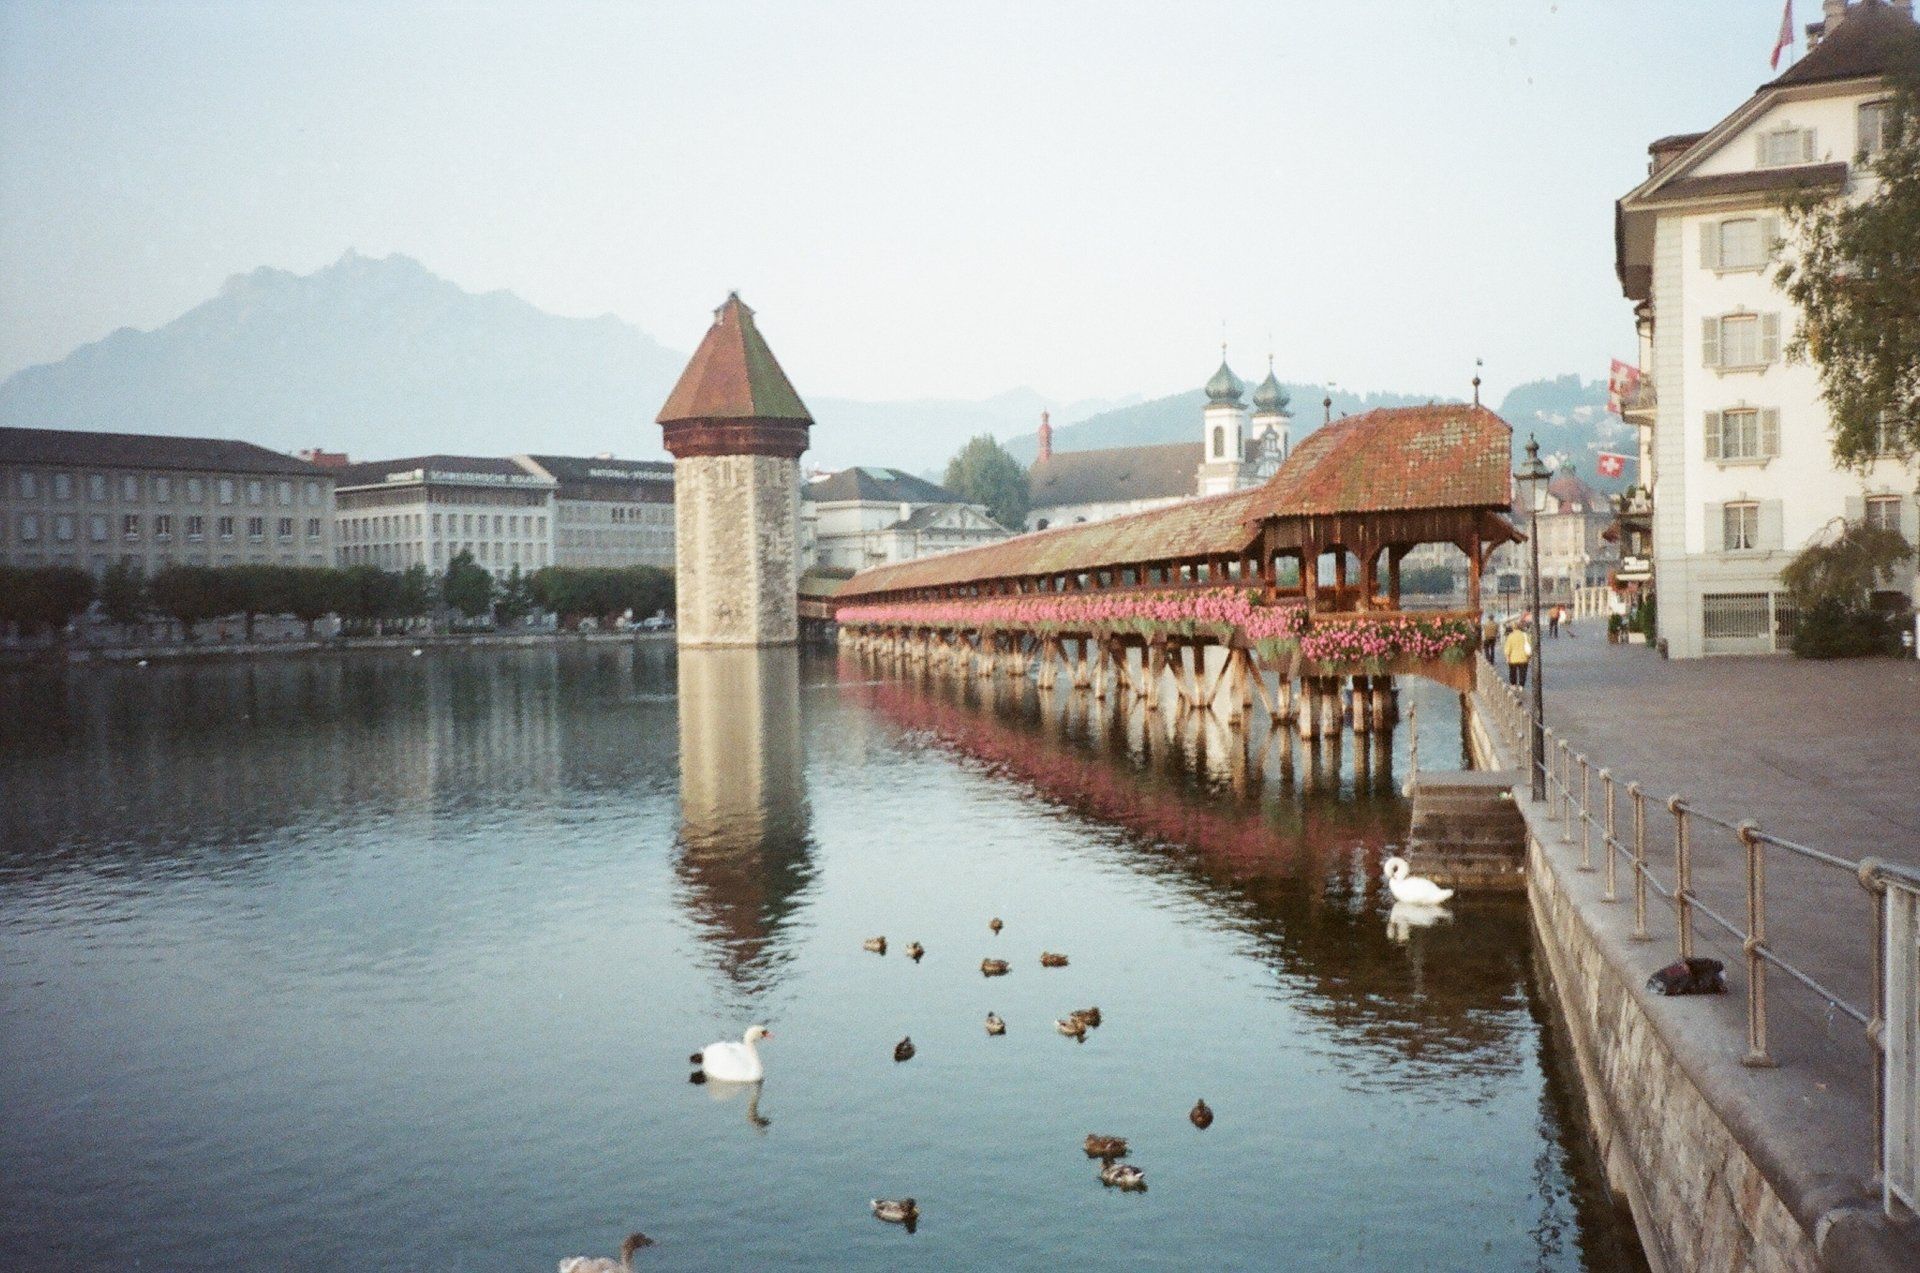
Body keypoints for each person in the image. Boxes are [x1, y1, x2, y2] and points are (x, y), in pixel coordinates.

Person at [1504, 622, 1533, 688]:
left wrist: (1507, 657)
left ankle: (1513, 684)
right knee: (1523, 672)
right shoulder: (1525, 635)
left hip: (1513, 658)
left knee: (1512, 672)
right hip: (1523, 657)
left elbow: (1508, 648)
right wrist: (1529, 657)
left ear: (1513, 628)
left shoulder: (1510, 636)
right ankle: (1521, 685)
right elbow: (1529, 646)